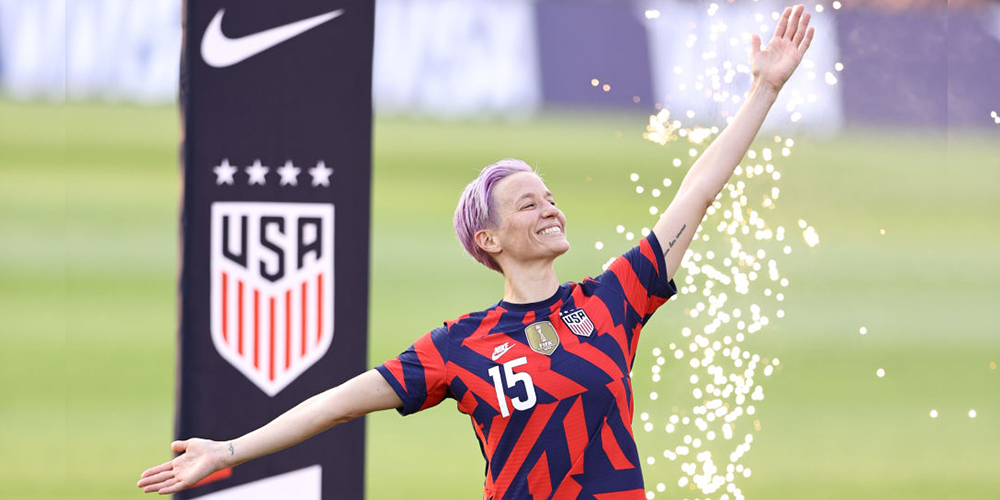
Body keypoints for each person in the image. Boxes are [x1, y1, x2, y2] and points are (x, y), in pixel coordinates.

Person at [138, 5, 814, 498]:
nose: (549, 208)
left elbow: (694, 195)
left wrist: (763, 90)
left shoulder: (612, 301)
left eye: (549, 197)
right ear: (487, 241)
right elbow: (338, 402)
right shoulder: (461, 346)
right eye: (528, 204)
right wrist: (226, 450)